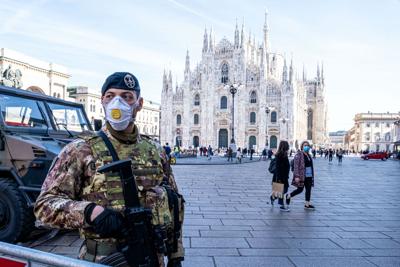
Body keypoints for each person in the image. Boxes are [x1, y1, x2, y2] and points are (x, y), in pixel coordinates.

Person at [34, 72, 184, 267]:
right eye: (110, 96)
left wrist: (175, 255)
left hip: (151, 256)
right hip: (102, 259)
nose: (118, 103)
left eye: (127, 97)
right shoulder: (80, 149)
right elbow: (44, 206)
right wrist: (89, 212)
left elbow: (174, 202)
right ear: (102, 101)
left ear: (138, 104)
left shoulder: (155, 151)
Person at [285, 140, 315, 210]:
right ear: (302, 147)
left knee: (308, 189)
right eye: (305, 145)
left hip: (309, 175)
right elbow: (296, 166)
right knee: (300, 189)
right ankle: (289, 195)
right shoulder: (299, 154)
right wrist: (297, 176)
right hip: (302, 175)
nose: (306, 147)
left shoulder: (309, 155)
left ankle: (307, 204)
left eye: (307, 146)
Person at [270, 141, 290, 211]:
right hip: (280, 176)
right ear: (285, 146)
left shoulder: (284, 154)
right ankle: (281, 205)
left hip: (284, 176)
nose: (288, 147)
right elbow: (278, 167)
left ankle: (273, 197)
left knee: (283, 189)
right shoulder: (280, 155)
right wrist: (279, 178)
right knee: (282, 190)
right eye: (287, 145)